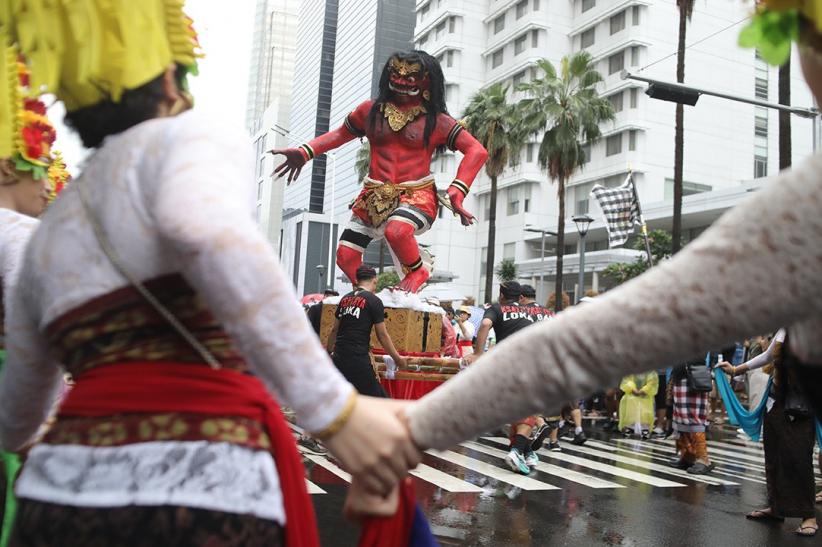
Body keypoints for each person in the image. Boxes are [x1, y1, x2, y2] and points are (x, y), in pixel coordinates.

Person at [0, 4, 420, 544]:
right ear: (172, 73)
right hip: (202, 486)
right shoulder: (192, 137)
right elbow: (205, 232)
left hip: (58, 503)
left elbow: (16, 420)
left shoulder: (51, 231)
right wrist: (336, 413)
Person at [399, 4, 822, 512]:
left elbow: (592, 341)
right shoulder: (802, 204)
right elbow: (596, 339)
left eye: (798, 34)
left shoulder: (803, 207)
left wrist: (414, 424)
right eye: (790, 34)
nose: (803, 58)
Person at [273, 51, 488, 293]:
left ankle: (418, 270)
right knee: (345, 256)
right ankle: (367, 298)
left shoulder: (437, 121)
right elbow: (339, 135)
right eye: (396, 74)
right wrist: (305, 152)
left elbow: (476, 150)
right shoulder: (369, 111)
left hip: (415, 195)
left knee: (397, 231)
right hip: (372, 195)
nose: (401, 80)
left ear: (427, 81)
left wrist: (457, 191)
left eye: (410, 76)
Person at [0, 49, 67, 547]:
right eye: (40, 169)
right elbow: (36, 345)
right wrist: (34, 430)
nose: (46, 188)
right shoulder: (22, 235)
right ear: (6, 169)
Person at [719, 329, 817, 537]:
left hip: (801, 405)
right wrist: (736, 369)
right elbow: (768, 356)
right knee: (773, 457)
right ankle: (776, 508)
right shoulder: (785, 329)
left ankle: (809, 516)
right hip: (775, 402)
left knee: (799, 459)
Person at [464, 281, 536, 474]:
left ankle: (525, 451)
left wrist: (478, 353)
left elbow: (486, 324)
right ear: (519, 296)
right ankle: (518, 450)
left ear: (502, 295)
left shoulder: (497, 308)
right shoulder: (528, 312)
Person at [327, 266, 406, 397]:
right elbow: (382, 335)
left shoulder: (344, 300)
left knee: (346, 399)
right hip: (358, 359)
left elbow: (334, 329)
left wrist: (329, 351)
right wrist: (397, 359)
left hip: (339, 358)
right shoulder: (374, 301)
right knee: (379, 400)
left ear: (357, 281)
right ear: (375, 280)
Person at [668, 361, 714, 475]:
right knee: (681, 419)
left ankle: (703, 459)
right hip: (682, 375)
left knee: (695, 420)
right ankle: (688, 456)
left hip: (695, 375)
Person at [617, 372, 658, 439]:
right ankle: (629, 427)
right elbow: (626, 381)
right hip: (631, 395)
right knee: (630, 411)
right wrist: (633, 389)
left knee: (645, 412)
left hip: (646, 396)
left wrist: (645, 390)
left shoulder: (651, 372)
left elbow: (652, 382)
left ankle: (645, 428)